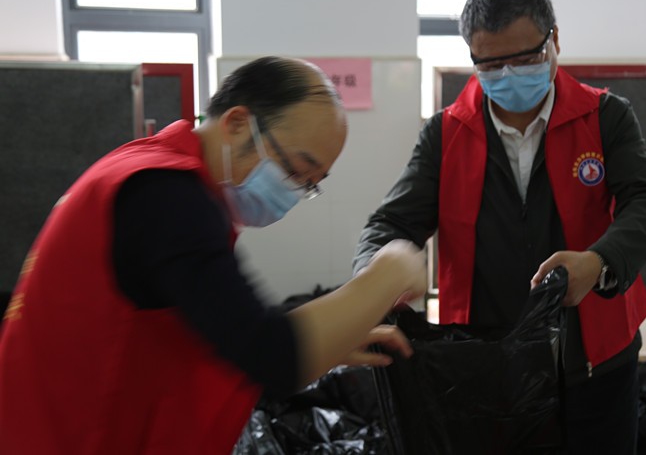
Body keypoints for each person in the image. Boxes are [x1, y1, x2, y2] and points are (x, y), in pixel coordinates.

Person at [0, 56, 427, 455]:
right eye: (294, 170)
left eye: (309, 184)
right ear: (238, 123)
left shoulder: (148, 168)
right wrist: (389, 270)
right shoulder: (166, 195)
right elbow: (272, 354)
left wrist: (331, 340)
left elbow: (219, 333)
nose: (292, 192)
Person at [353, 0, 646, 454]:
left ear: (555, 39)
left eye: (525, 59)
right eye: (490, 64)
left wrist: (599, 262)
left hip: (597, 357)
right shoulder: (445, 134)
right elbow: (390, 224)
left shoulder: (605, 117)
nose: (508, 75)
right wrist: (374, 279)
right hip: (491, 364)